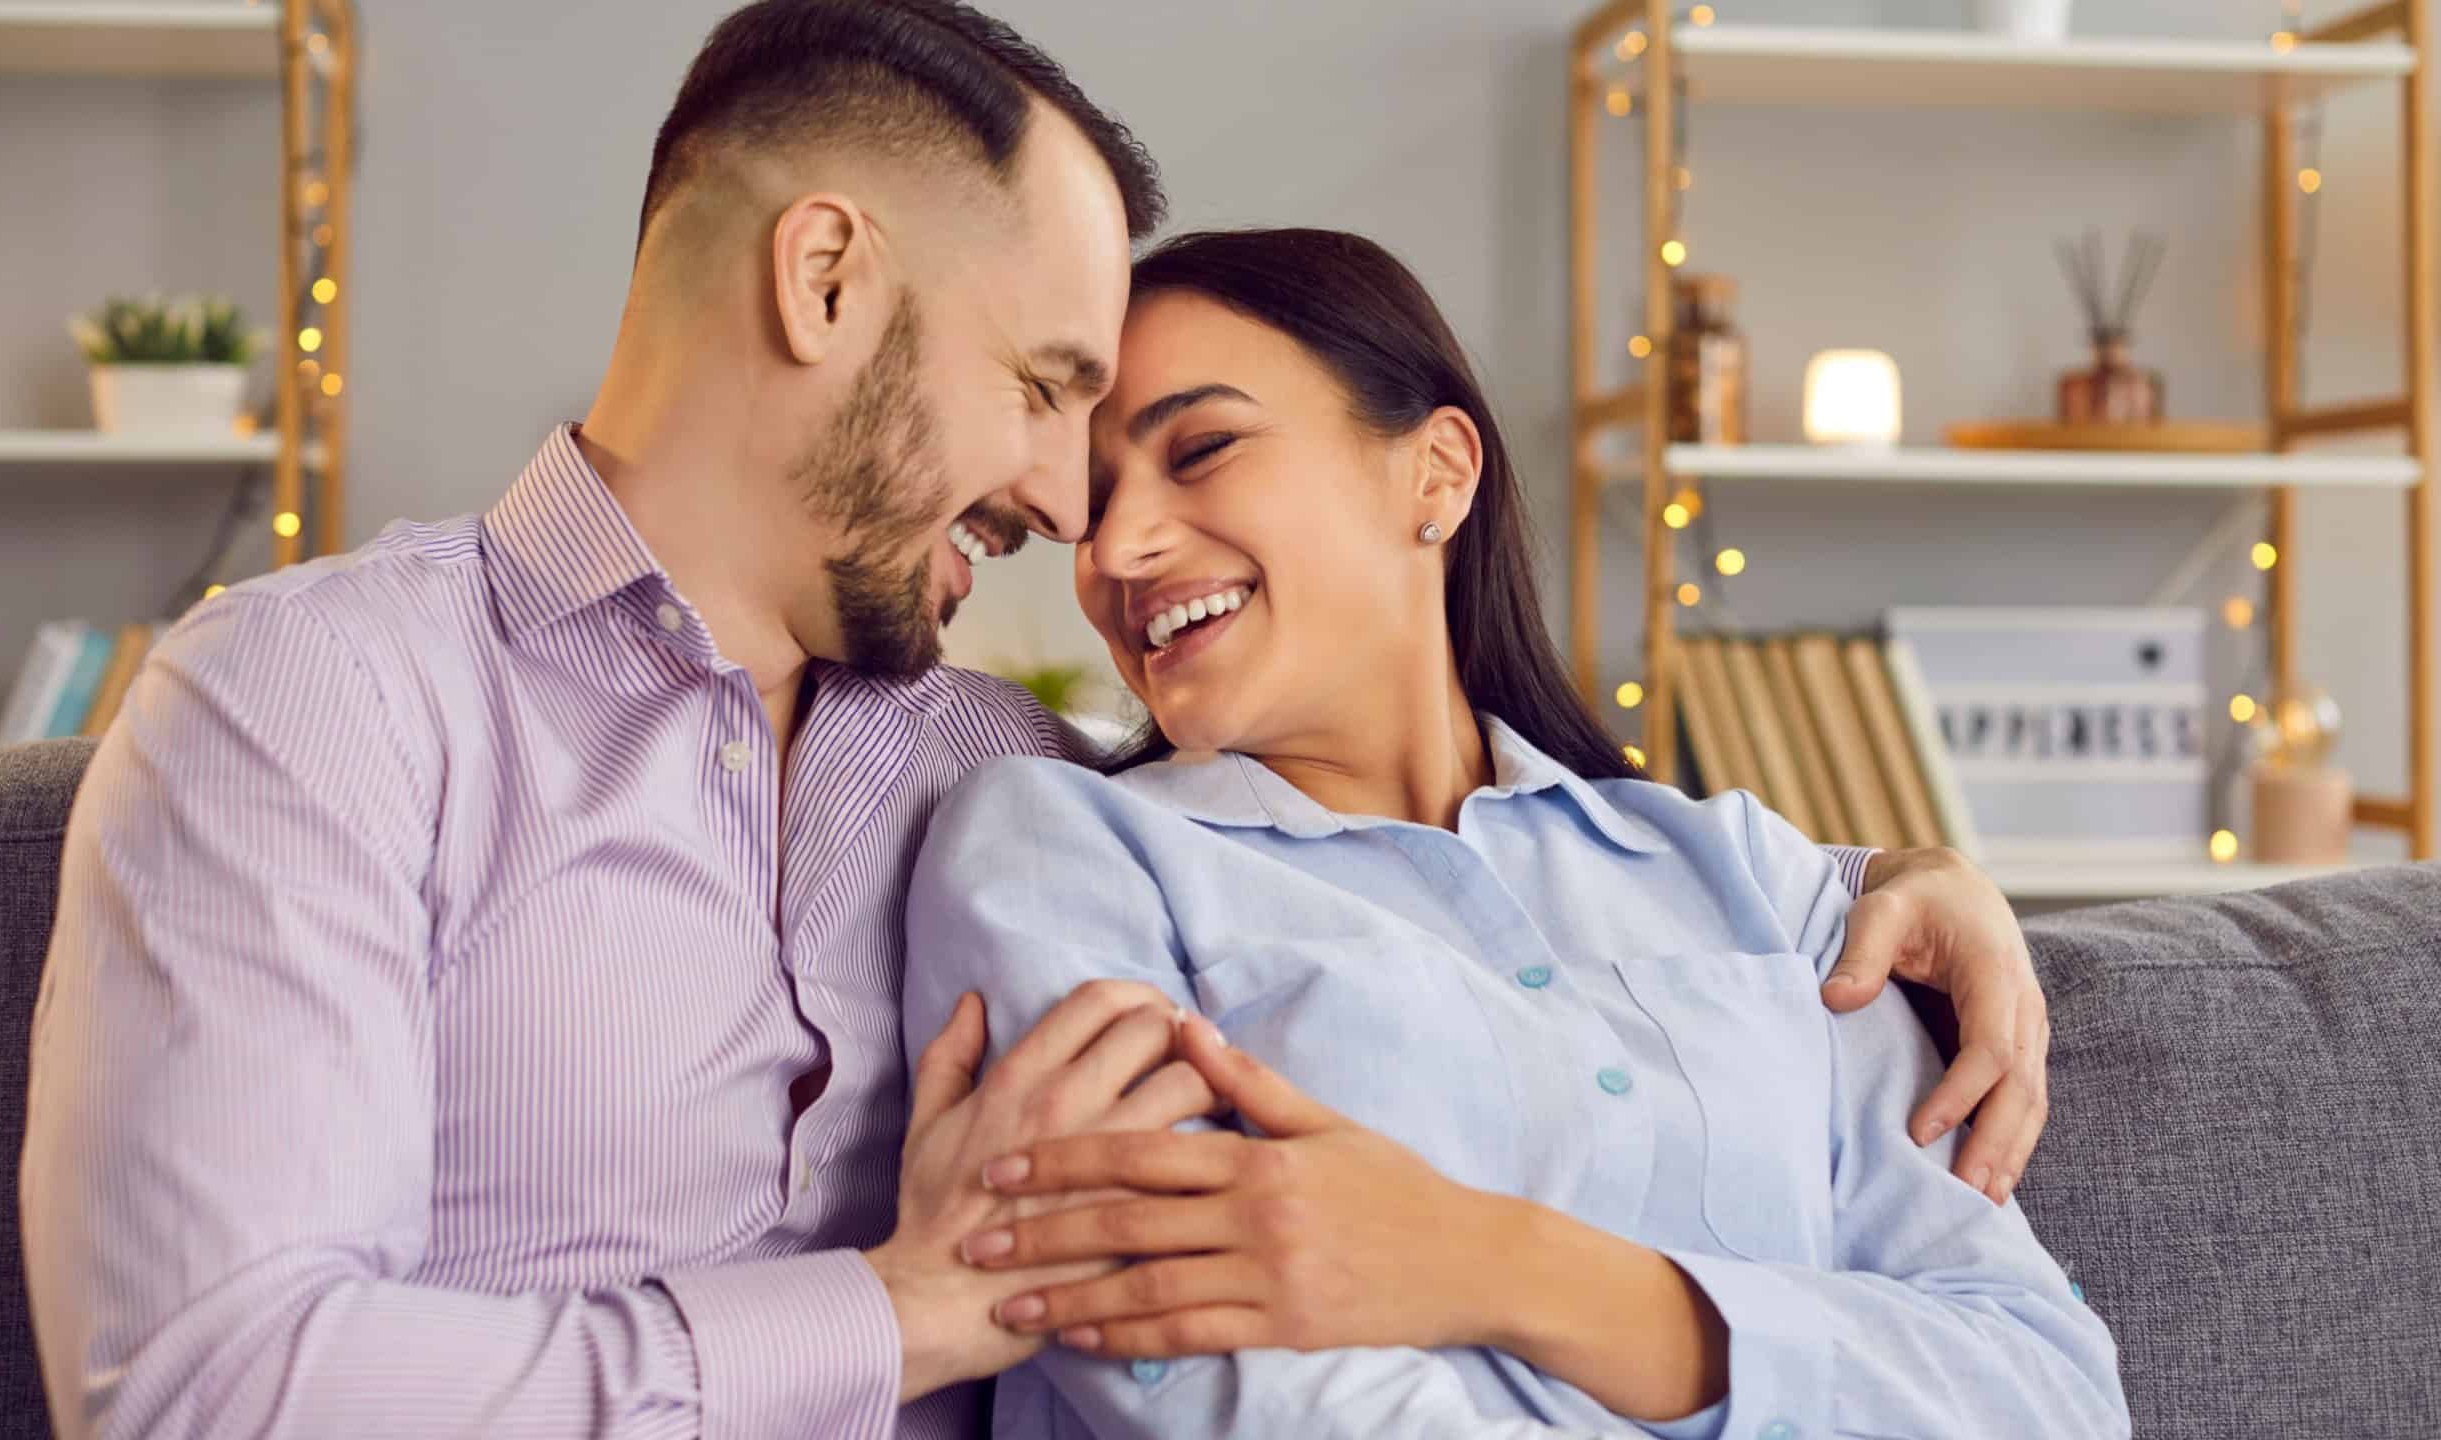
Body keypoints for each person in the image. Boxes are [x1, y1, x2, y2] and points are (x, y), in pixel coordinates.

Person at [18, 3, 2050, 1436]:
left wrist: (1869, 885)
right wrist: (889, 1317)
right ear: (826, 282)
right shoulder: (318, 701)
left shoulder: (1002, 771)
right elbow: (212, 1395)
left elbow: (1408, 890)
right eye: (1045, 383)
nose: (1073, 510)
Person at [900, 228, 2125, 1438]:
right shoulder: (1063, 847)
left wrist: (1502, 1266)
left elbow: (2045, 1390)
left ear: (1435, 472)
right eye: (1096, 506)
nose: (1118, 548)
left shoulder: (1753, 879)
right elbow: (1197, 1368)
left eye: (1203, 448)